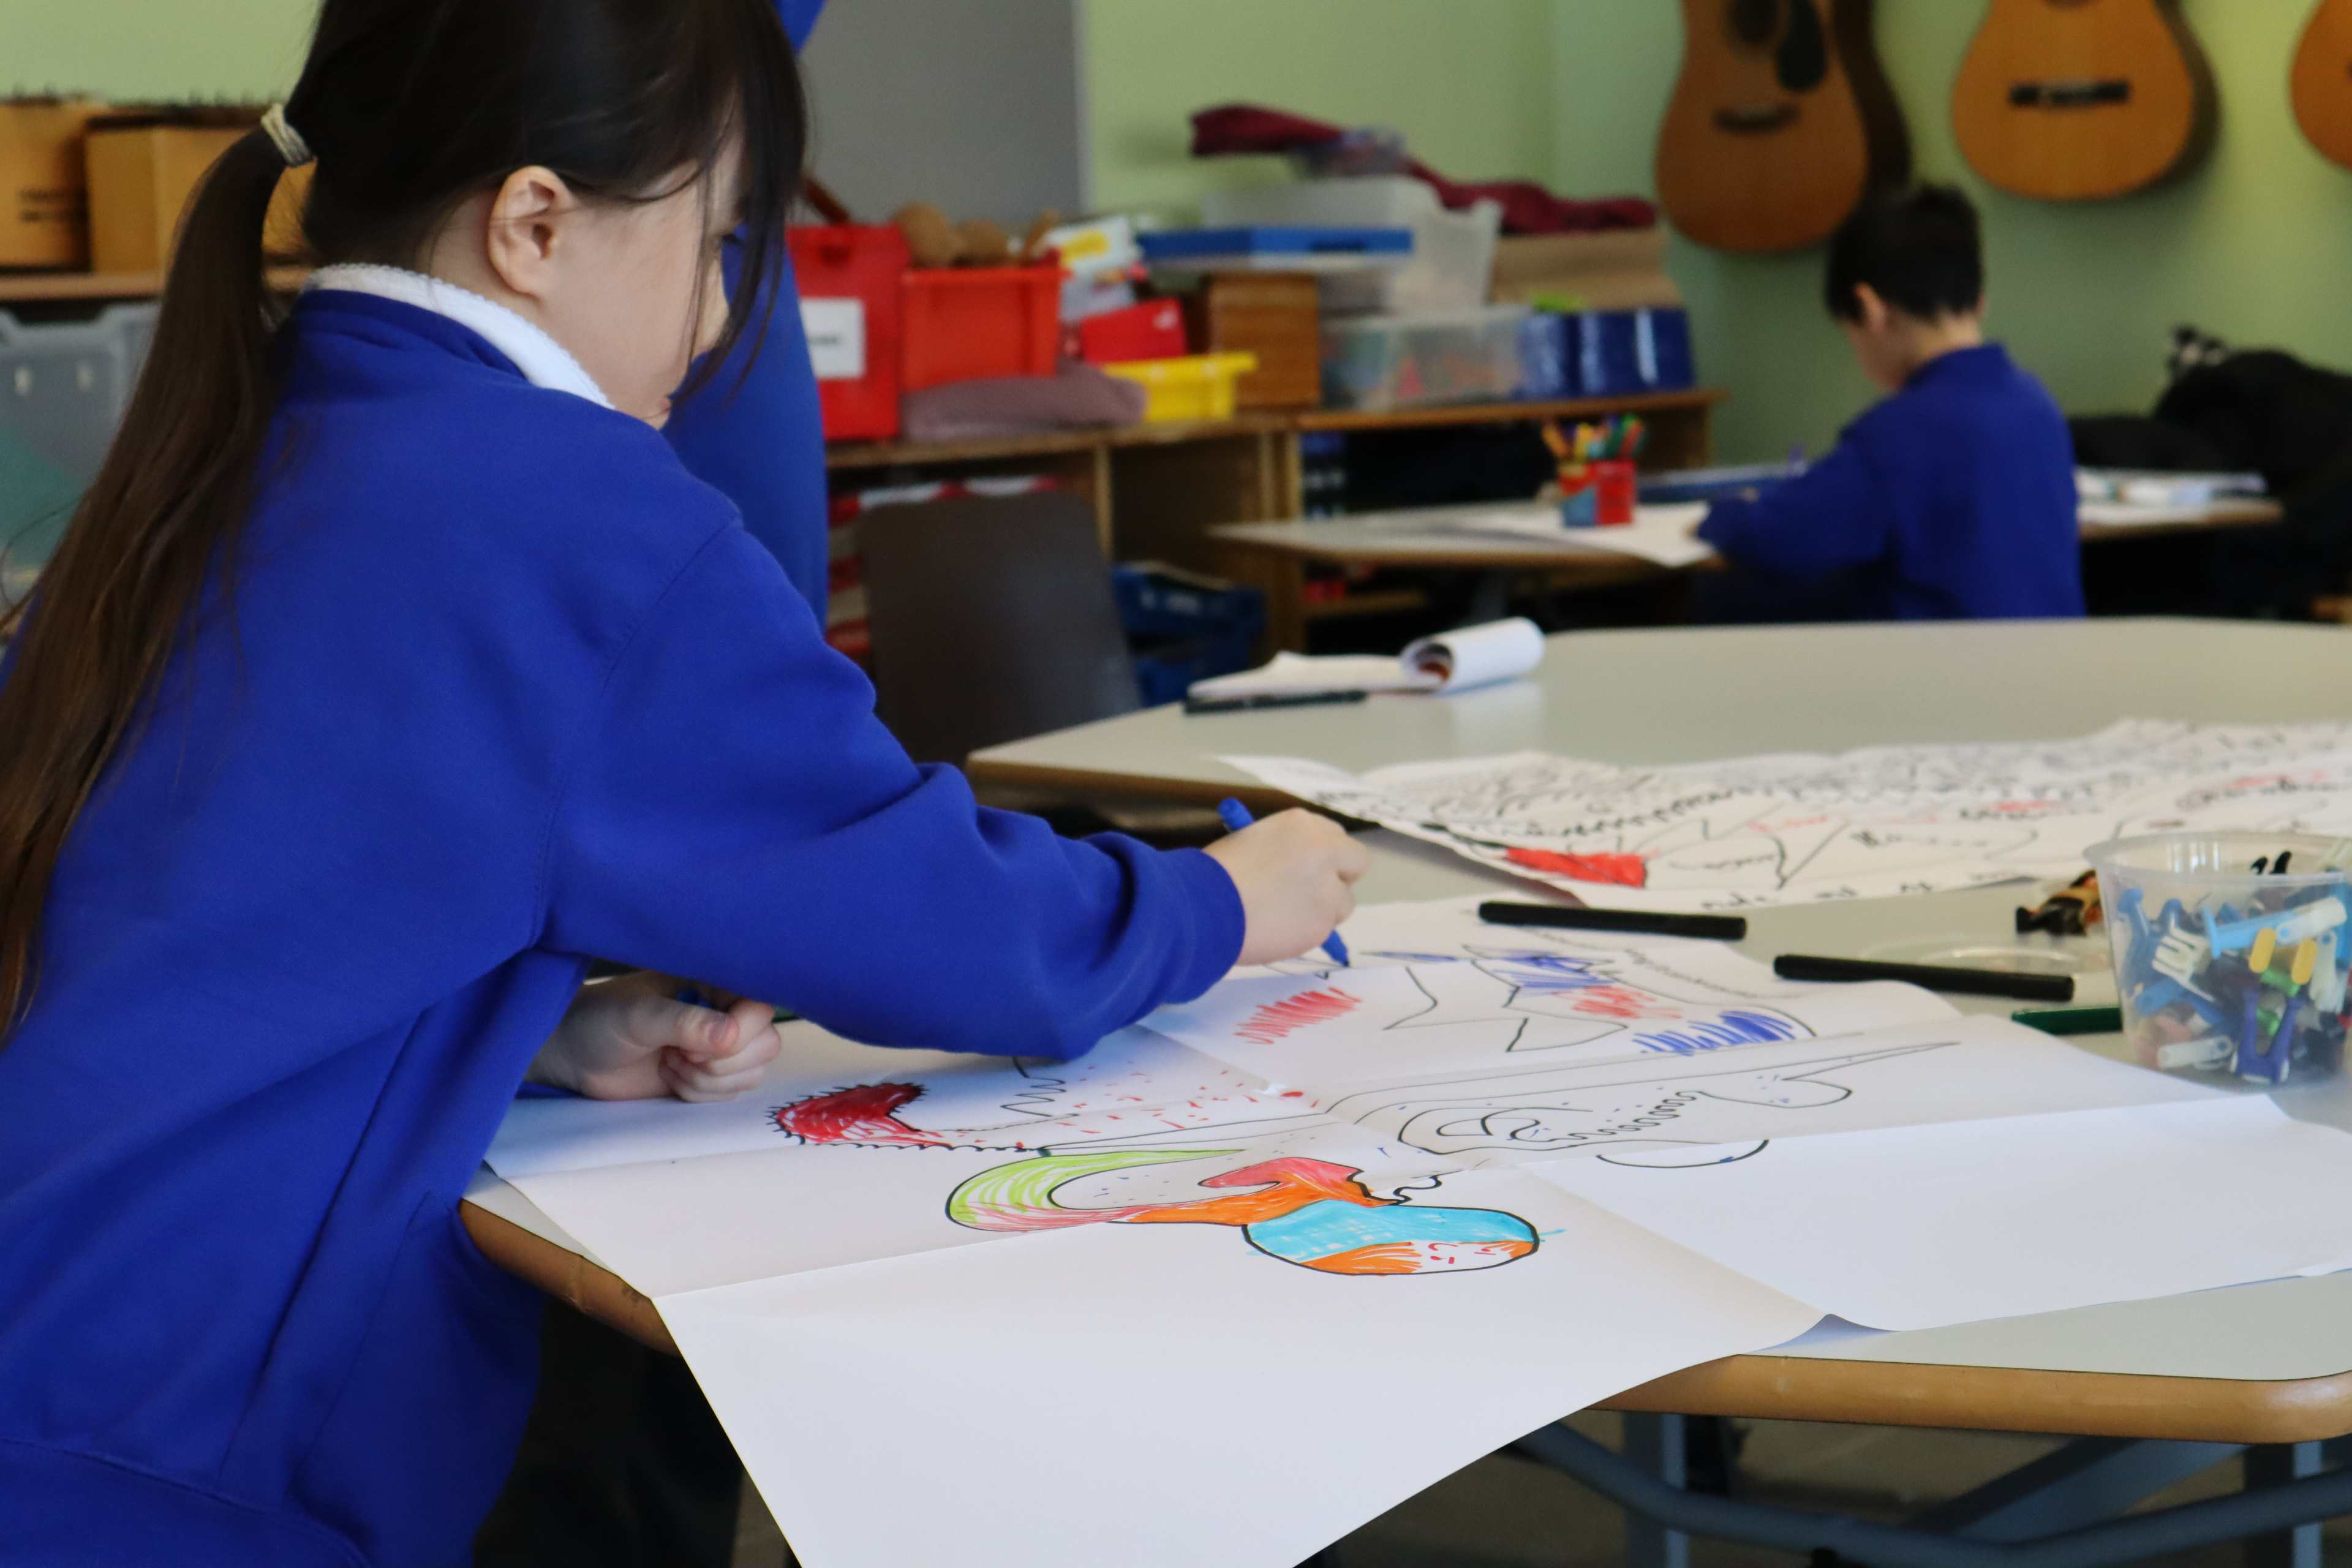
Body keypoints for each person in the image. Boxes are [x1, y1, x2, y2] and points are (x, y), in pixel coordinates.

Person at [0, 2, 1366, 1564]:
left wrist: (524, 1033)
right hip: (159, 1463)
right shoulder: (579, 518)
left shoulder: (223, 440)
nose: (721, 322)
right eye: (720, 243)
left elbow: (191, 930)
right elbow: (957, 926)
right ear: (533, 224)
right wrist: (1217, 898)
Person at [1694, 183, 2084, 624]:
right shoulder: (2038, 407)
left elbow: (1773, 537)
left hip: (1941, 682)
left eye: (1851, 336)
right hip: (2049, 677)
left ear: (1870, 310)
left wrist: (1723, 513)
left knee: (1720, 598)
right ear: (1978, 303)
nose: (1860, 361)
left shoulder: (1900, 432)